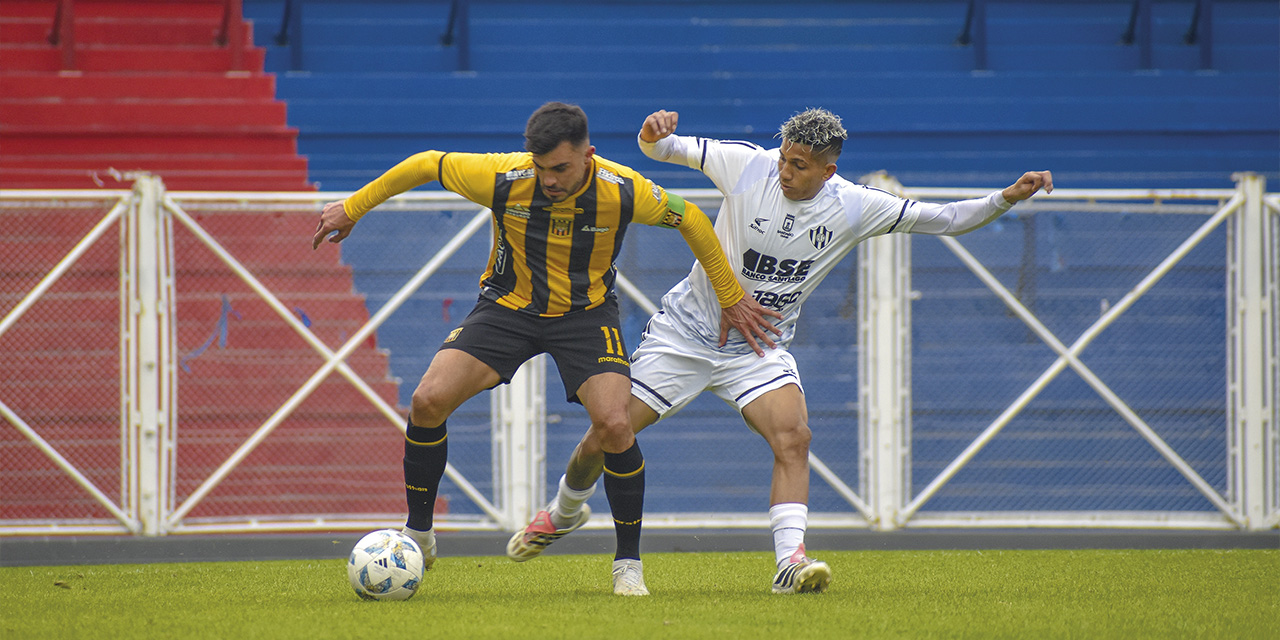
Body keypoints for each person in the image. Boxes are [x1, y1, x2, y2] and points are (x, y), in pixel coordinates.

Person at [509, 107, 1053, 594]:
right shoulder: (749, 165)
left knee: (794, 435)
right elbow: (662, 150)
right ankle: (565, 510)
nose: (786, 172)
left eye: (799, 166)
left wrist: (1005, 197)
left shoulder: (855, 206)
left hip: (757, 349)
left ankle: (789, 561)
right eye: (785, 160)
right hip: (684, 337)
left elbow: (946, 219)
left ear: (828, 171)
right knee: (606, 436)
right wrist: (654, 135)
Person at [311, 102, 780, 596]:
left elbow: (691, 220)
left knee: (616, 425)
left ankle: (627, 566)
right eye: (541, 168)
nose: (549, 180)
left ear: (588, 155)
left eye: (560, 168)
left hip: (585, 316)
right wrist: (353, 207)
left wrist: (730, 296)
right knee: (428, 400)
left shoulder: (623, 190)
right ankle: (419, 533)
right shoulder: (503, 176)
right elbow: (427, 162)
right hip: (507, 309)